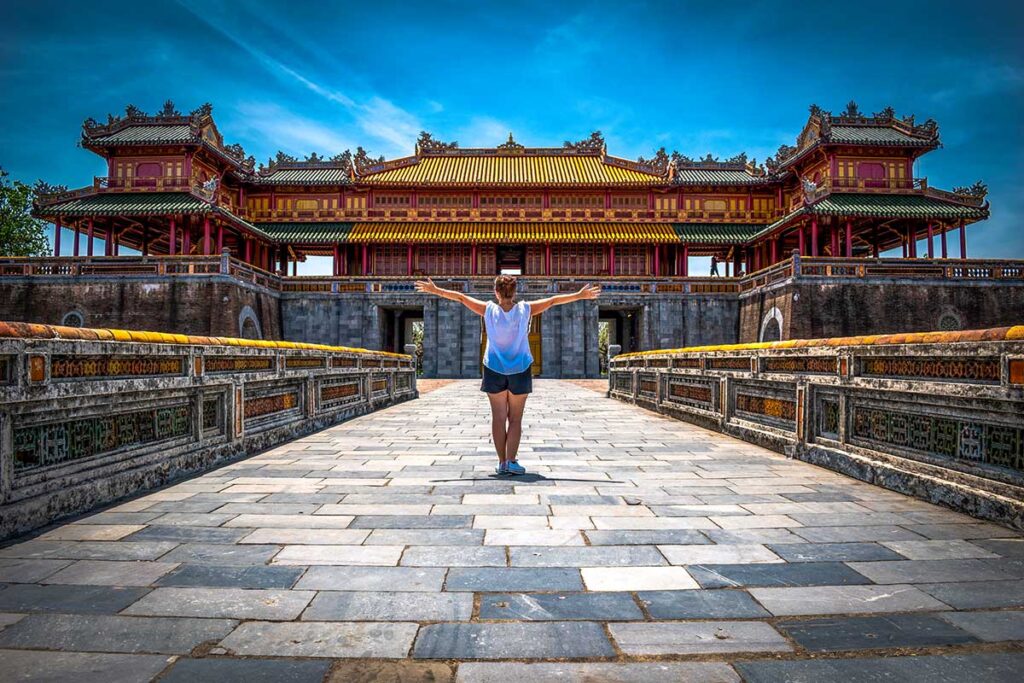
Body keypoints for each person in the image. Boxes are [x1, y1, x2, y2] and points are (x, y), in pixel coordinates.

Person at [415, 275, 601, 475]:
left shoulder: (488, 309)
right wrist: (580, 295)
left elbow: (461, 298)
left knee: (498, 418)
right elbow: (554, 300)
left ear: (496, 292)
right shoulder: (525, 309)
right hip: (520, 369)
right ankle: (512, 461)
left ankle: (502, 462)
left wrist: (436, 290)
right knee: (515, 419)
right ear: (514, 292)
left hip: (493, 368)